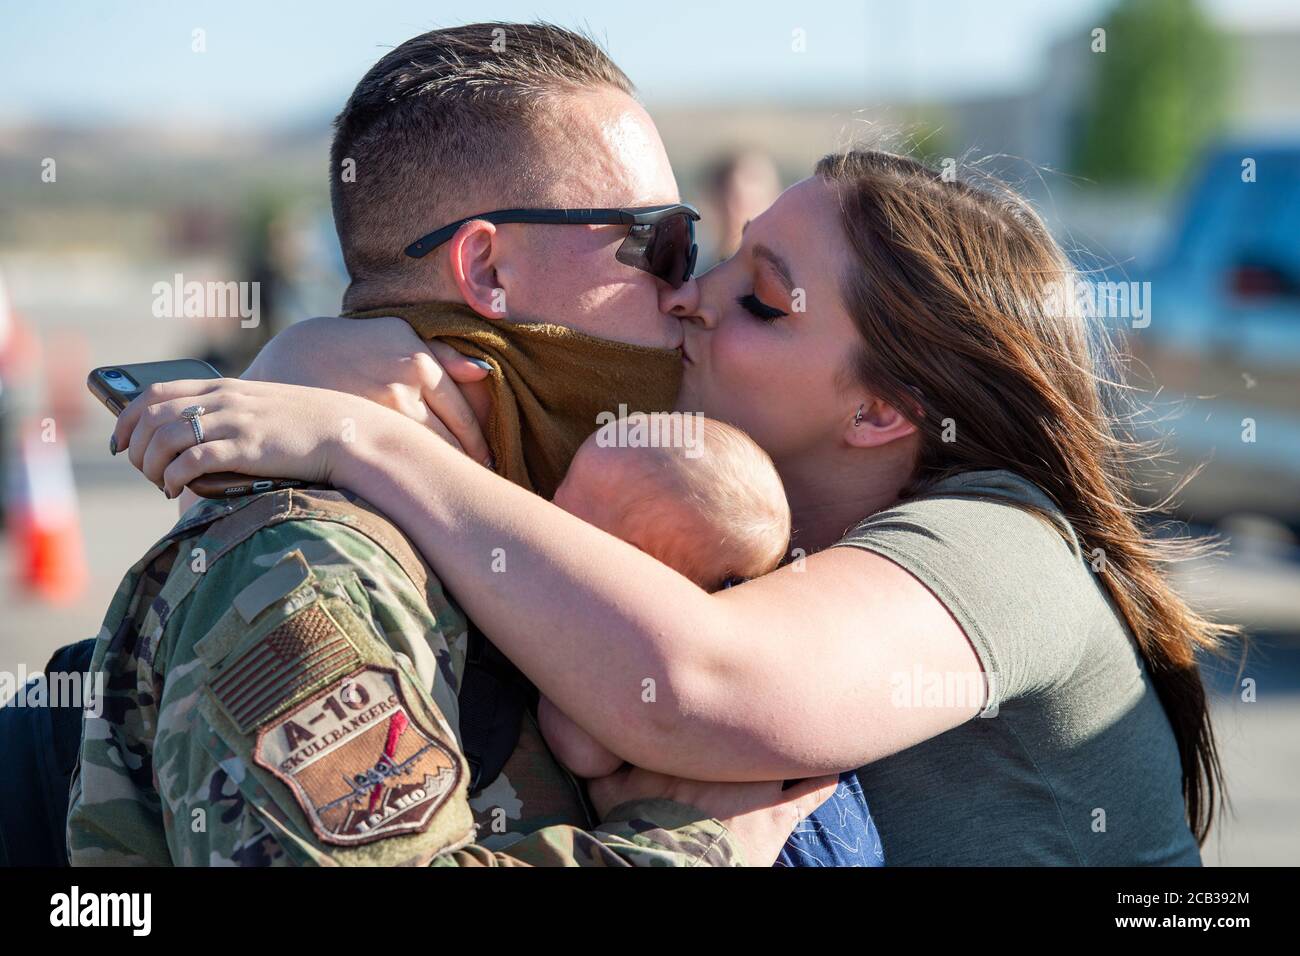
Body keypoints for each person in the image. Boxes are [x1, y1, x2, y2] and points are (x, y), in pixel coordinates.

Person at [123, 147, 1232, 865]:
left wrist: (357, 438)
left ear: (883, 412)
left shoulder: (1003, 541)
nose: (690, 300)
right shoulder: (738, 511)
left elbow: (695, 682)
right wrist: (325, 354)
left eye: (758, 298)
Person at [63, 23, 836, 867]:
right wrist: (698, 842)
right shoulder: (310, 568)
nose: (687, 291)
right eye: (662, 245)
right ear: (489, 272)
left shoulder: (523, 515)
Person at [539, 412, 791, 777]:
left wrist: (545, 644)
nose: (547, 502)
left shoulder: (631, 643)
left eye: (569, 511)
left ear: (630, 562)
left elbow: (586, 755)